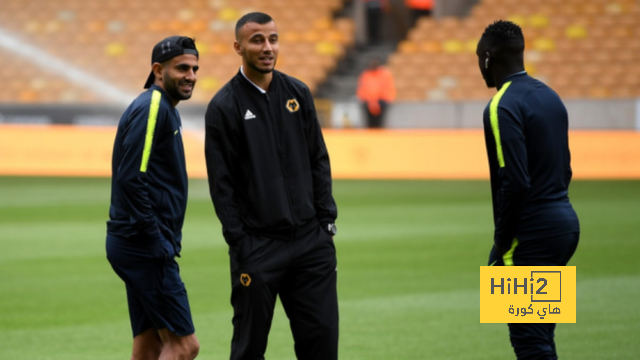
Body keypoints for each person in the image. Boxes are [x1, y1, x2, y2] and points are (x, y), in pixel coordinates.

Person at [204, 12, 339, 360]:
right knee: (249, 350)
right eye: (257, 40)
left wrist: (326, 224)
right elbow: (222, 185)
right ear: (238, 47)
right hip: (259, 248)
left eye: (273, 39)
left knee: (322, 345)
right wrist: (241, 242)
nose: (267, 48)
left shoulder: (298, 93)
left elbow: (318, 160)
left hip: (311, 243)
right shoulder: (224, 106)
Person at [476, 20, 580, 360]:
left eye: (479, 59)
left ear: (489, 58)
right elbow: (565, 169)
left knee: (528, 341)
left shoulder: (500, 106)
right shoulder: (549, 96)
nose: (479, 68)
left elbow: (516, 182)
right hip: (564, 223)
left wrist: (501, 242)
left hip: (529, 233)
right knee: (542, 334)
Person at [106, 36, 201, 360]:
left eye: (194, 68)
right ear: (158, 70)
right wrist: (156, 236)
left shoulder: (161, 107)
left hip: (135, 242)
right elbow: (131, 178)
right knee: (185, 346)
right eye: (182, 68)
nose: (191, 75)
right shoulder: (153, 108)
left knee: (148, 346)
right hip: (142, 245)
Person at [356, 57, 396, 128]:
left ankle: (379, 134)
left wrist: (375, 101)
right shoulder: (366, 74)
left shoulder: (385, 74)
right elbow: (363, 88)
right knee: (369, 122)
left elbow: (385, 88)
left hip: (382, 100)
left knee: (380, 122)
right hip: (368, 100)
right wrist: (371, 101)